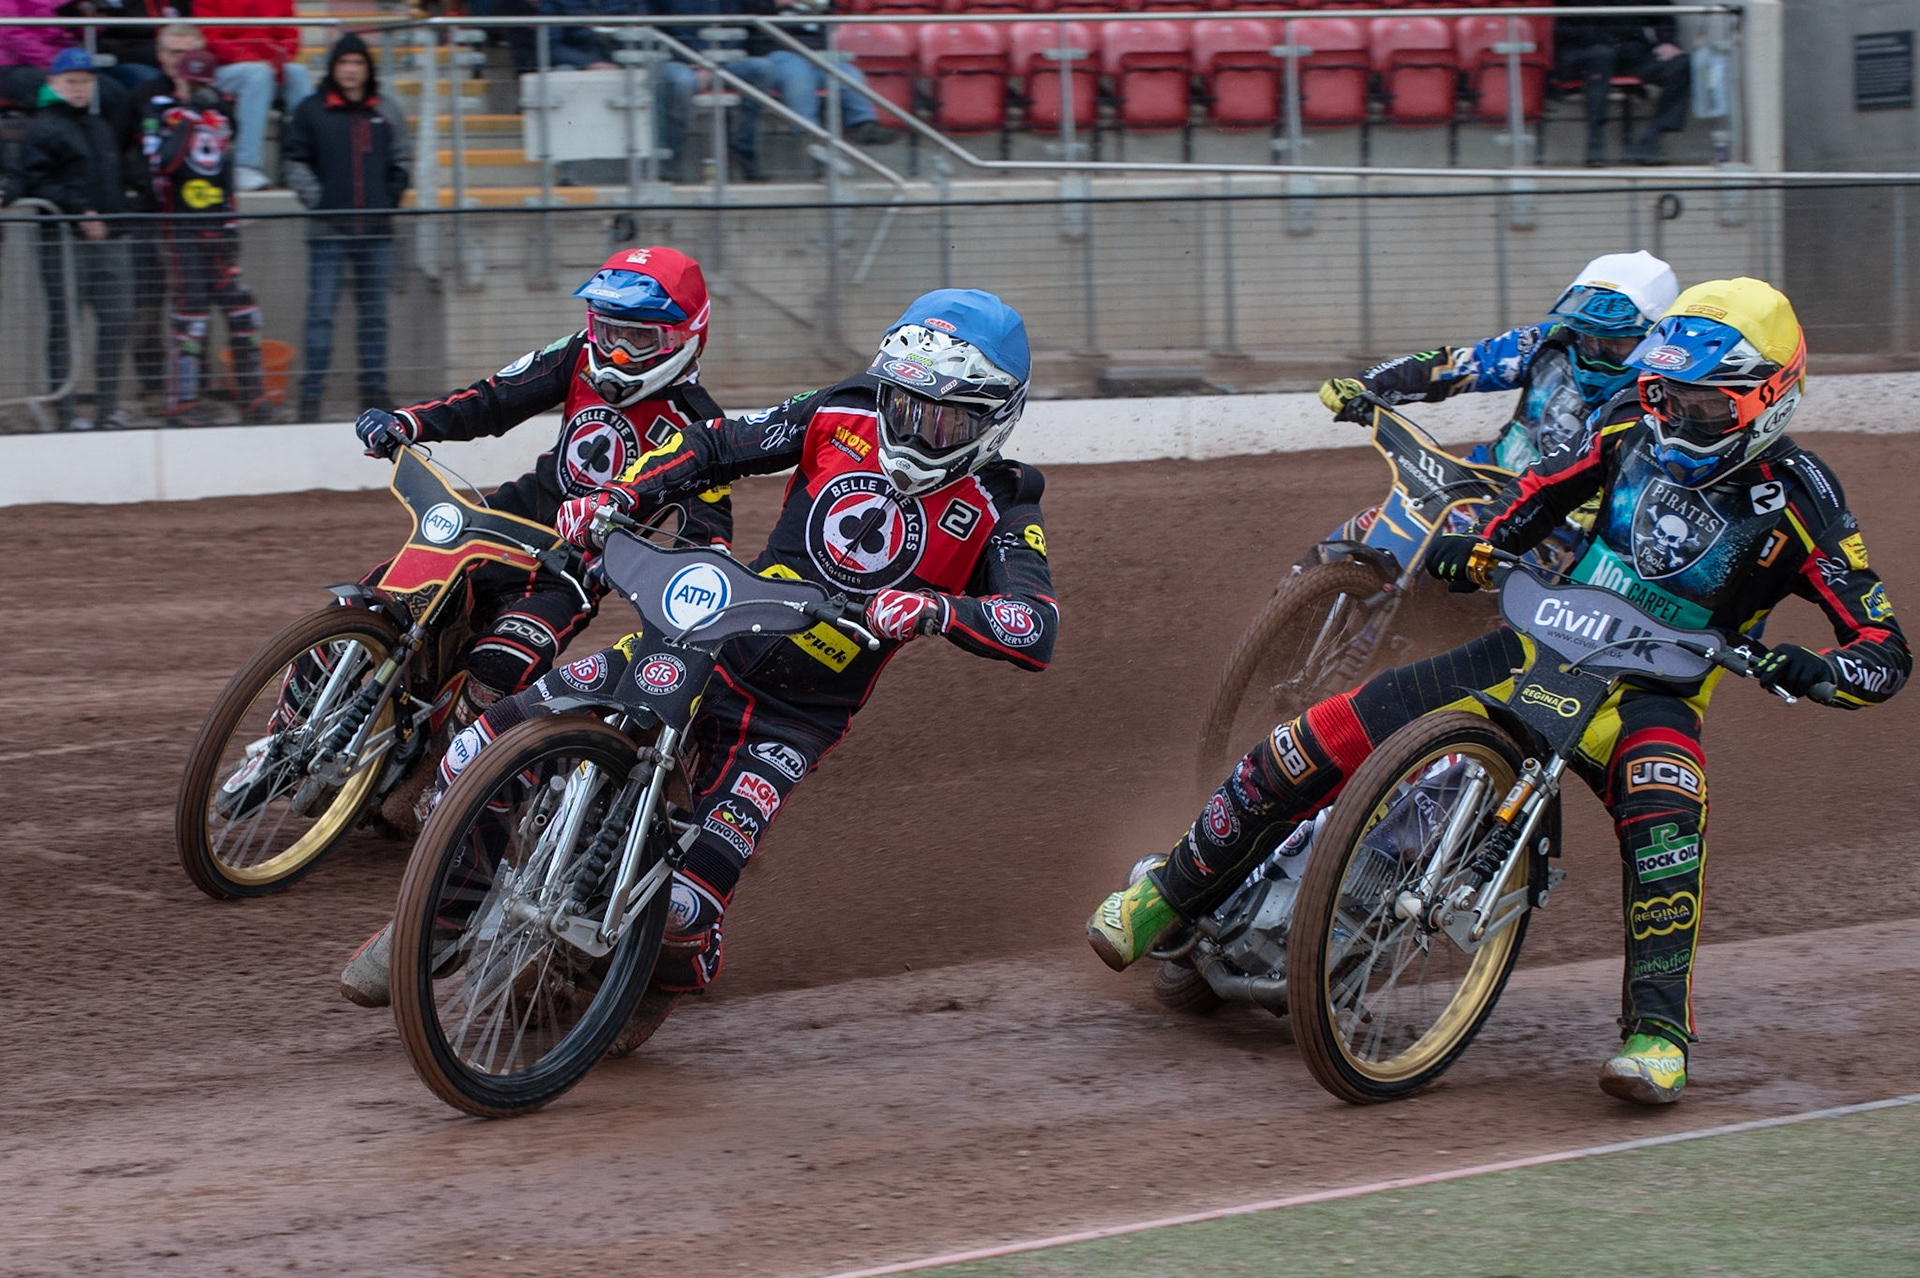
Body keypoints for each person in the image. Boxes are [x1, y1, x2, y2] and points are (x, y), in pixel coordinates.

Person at [1087, 278, 1909, 1106]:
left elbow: (1883, 649)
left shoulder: (1803, 500)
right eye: (1664, 392)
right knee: (1320, 734)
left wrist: (1815, 669)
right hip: (1534, 643)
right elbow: (1534, 496)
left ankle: (1657, 1036)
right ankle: (1168, 893)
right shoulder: (1627, 429)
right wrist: (1473, 543)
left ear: (1768, 399)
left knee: (1670, 828)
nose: (1673, 416)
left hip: (1653, 696)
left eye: (1701, 405)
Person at [338, 287, 1058, 1046]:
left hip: (792, 718)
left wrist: (942, 610)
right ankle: (446, 915)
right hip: (701, 637)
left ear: (992, 415)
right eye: (902, 401)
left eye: (940, 415)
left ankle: (650, 983)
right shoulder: (842, 410)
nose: (912, 424)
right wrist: (621, 492)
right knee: (471, 753)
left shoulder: (1003, 501)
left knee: (687, 906)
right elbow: (715, 442)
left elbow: (1035, 625)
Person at [329, 246, 737, 835]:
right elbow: (493, 399)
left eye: (638, 340)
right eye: (608, 331)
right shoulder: (575, 354)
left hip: (572, 572)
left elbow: (707, 538)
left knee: (500, 665)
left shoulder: (704, 429)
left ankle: (439, 780)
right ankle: (279, 742)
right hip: (503, 519)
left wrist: (686, 575)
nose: (616, 352)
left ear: (684, 338)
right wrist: (410, 422)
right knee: (371, 600)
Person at [1318, 251, 1680, 474]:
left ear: (1653, 335)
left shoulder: (1669, 387)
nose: (1595, 351)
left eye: (1613, 343)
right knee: (1368, 531)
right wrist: (1369, 384)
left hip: (1569, 516)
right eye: (1588, 336)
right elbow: (1459, 366)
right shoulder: (1545, 341)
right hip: (1489, 474)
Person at [4, 47, 134, 431]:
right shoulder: (43, 128)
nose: (79, 88)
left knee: (117, 320)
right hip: (64, 241)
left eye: (85, 81)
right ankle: (67, 412)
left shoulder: (100, 126)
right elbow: (37, 181)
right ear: (54, 84)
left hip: (111, 236)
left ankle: (108, 407)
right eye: (71, 81)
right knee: (65, 324)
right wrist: (80, 212)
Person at [283, 32, 409, 423]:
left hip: (376, 234)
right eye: (343, 63)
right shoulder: (310, 110)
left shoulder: (387, 109)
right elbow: (293, 161)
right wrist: (319, 201)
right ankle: (310, 397)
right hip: (328, 234)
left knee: (374, 316)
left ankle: (374, 395)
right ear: (334, 68)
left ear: (367, 68)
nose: (350, 70)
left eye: (357, 63)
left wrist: (388, 200)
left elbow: (402, 160)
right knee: (320, 315)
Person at [139, 44, 269, 425]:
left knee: (245, 311)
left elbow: (227, 180)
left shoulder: (221, 119)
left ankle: (252, 399)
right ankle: (179, 402)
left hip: (217, 229)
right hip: (180, 229)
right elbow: (158, 167)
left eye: (203, 82)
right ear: (179, 79)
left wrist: (231, 227)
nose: (197, 88)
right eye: (190, 81)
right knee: (191, 315)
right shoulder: (160, 111)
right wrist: (190, 120)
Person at [731, 0, 894, 166]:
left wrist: (822, 7)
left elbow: (830, 17)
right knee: (798, 76)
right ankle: (811, 137)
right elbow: (748, 14)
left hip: (818, 52)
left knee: (849, 73)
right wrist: (776, 4)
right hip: (775, 50)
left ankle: (864, 124)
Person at [187, 0, 314, 189]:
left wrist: (278, 60)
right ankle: (245, 165)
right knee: (258, 74)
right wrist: (254, 59)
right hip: (223, 68)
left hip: (266, 66)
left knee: (298, 74)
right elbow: (210, 38)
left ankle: (305, 162)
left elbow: (290, 35)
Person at [1555, 0, 1691, 167]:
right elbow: (1569, 26)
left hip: (1629, 52)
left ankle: (1652, 138)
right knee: (1600, 55)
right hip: (1584, 51)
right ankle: (1595, 143)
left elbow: (1662, 14)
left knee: (1680, 64)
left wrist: (1667, 42)